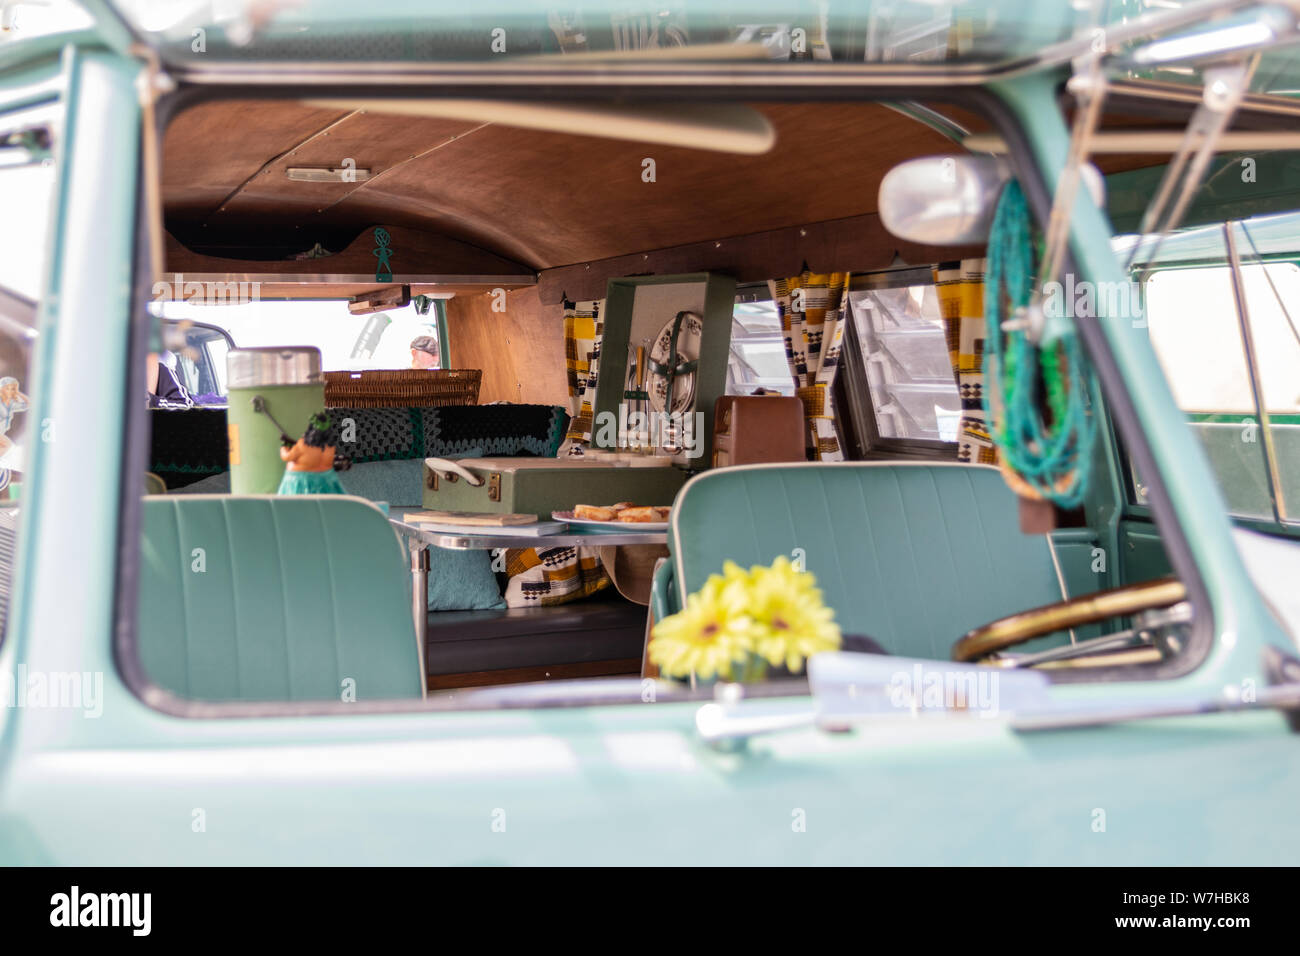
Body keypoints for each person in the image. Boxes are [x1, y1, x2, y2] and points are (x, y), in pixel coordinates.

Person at [277, 412, 346, 495]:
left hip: (300, 482)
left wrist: (284, 447)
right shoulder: (331, 447)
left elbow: (287, 457)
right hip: (326, 480)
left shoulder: (302, 444)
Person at [0, 376, 29, 455]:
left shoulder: (11, 405)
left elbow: (27, 404)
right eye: (7, 388)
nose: (10, 391)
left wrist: (18, 393)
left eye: (12, 389)